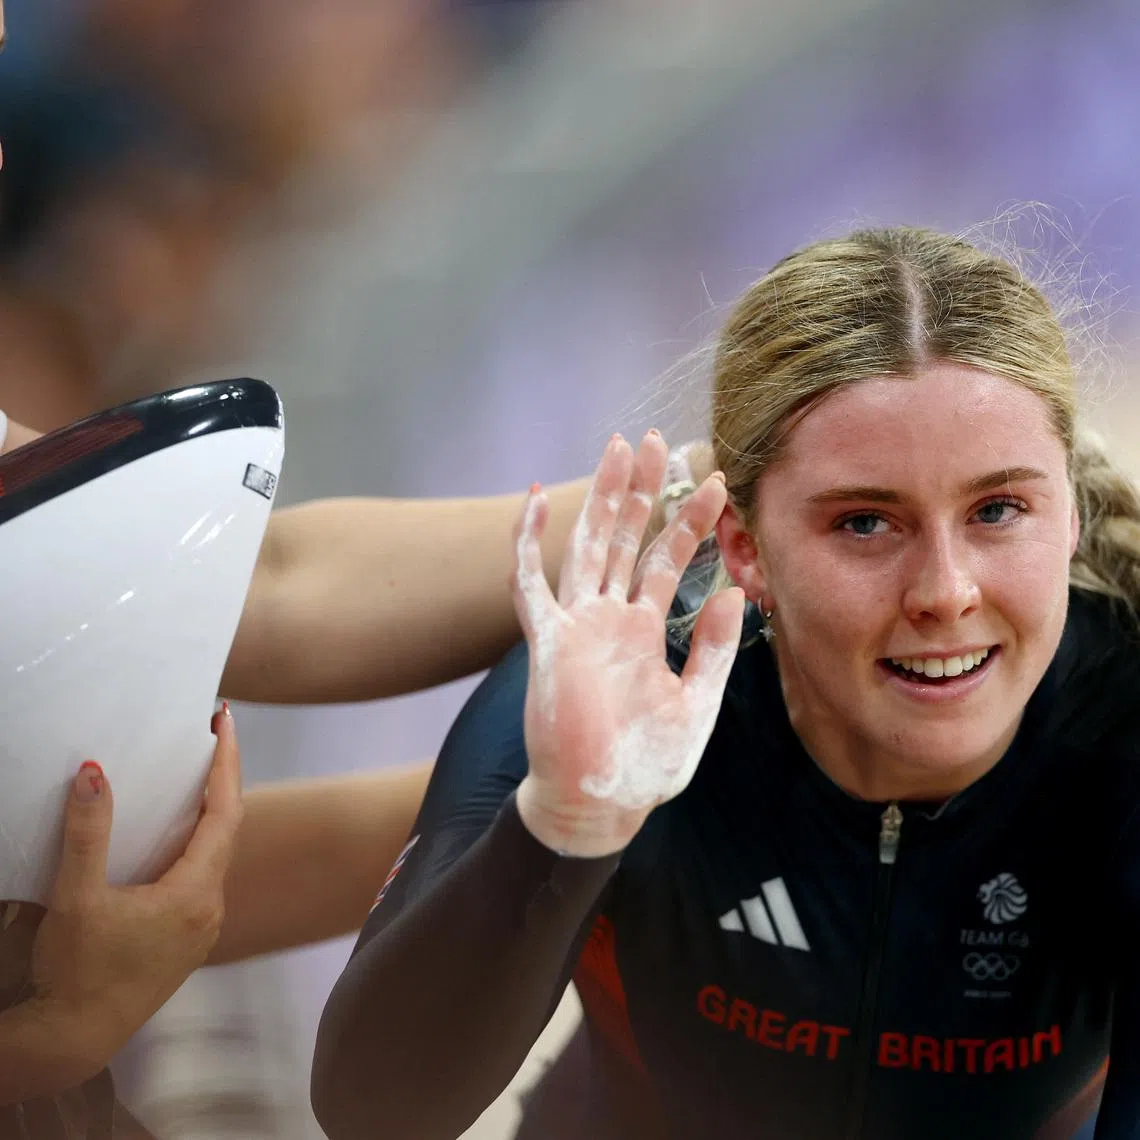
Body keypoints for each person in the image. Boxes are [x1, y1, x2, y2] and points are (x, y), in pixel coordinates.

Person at [311, 225, 1140, 1140]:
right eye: (865, 523)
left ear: (1069, 513)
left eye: (999, 509)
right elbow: (372, 1112)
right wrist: (567, 825)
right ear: (745, 549)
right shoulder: (625, 696)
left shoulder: (1124, 725)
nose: (945, 592)